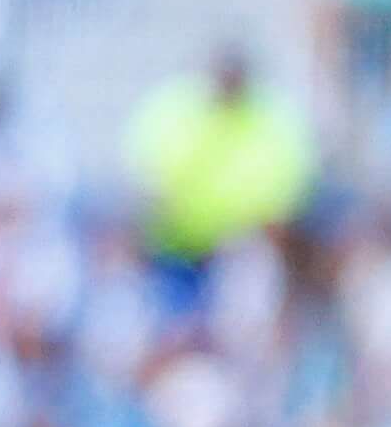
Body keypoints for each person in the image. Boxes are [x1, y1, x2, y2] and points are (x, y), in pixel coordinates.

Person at [124, 46, 319, 272]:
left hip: (240, 246)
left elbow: (282, 201)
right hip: (175, 242)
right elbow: (148, 183)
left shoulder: (273, 120)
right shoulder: (176, 110)